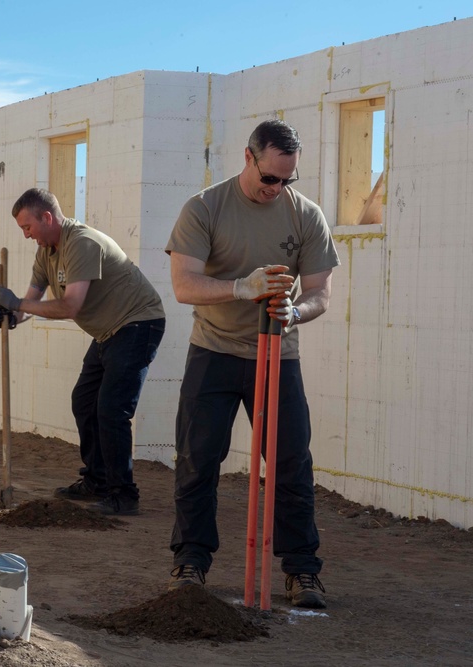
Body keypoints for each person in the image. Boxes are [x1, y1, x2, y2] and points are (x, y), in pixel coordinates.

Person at [164, 119, 340, 608]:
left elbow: (322, 292)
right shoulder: (205, 208)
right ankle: (191, 562)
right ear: (248, 158)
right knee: (197, 461)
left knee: (290, 465)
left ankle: (302, 571)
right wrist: (241, 287)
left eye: (287, 180)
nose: (277, 189)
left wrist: (294, 312)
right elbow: (184, 285)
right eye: (269, 178)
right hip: (214, 351)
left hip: (277, 356)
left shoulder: (306, 216)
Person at [0, 188, 166, 516]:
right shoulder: (46, 252)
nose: (26, 235)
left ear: (46, 217)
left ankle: (123, 495)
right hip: (107, 332)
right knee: (84, 401)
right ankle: (97, 480)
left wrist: (18, 303)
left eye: (27, 227)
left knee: (112, 410)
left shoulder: (80, 242)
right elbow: (31, 302)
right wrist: (10, 315)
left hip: (138, 324)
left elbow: (70, 306)